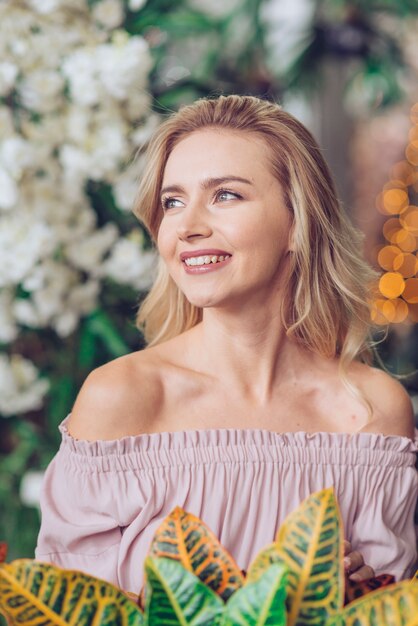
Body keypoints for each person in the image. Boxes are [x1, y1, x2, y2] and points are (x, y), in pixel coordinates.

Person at [36, 95, 418, 594]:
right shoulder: (122, 398)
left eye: (226, 196)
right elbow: (62, 608)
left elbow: (389, 607)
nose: (188, 227)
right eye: (173, 202)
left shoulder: (371, 412)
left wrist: (359, 591)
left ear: (298, 223)